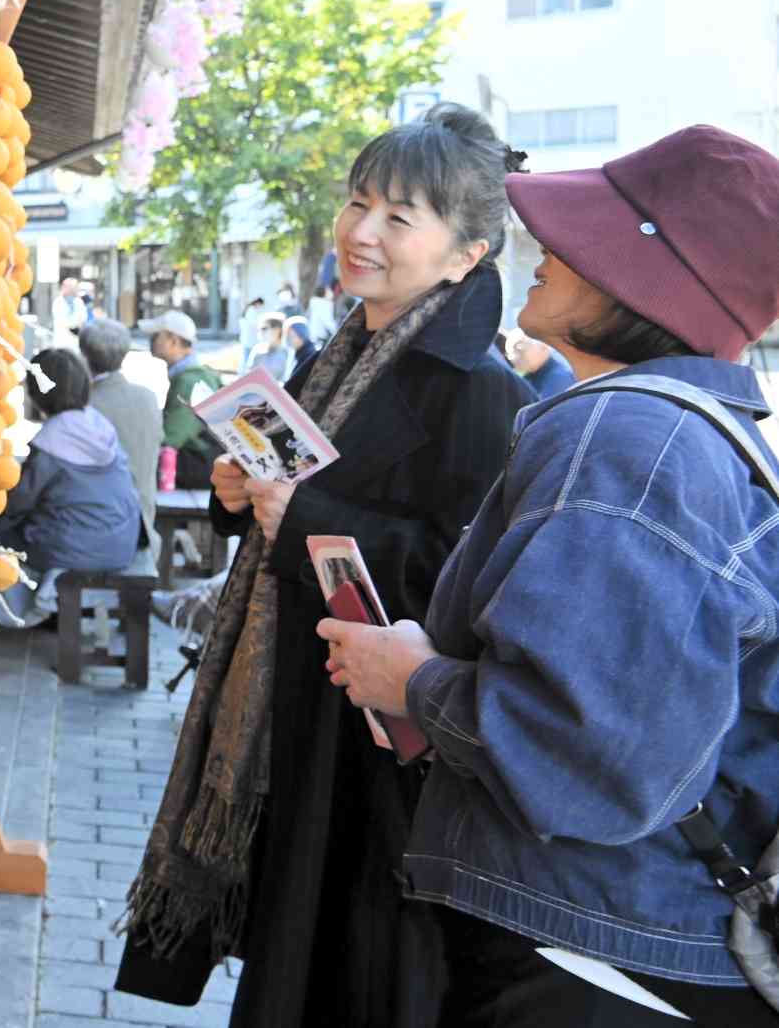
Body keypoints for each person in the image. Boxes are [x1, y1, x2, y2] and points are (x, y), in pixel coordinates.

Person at [321, 126, 779, 1025]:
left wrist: (413, 680)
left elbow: (591, 758)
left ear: (647, 282)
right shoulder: (694, 432)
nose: (545, 251)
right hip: (626, 932)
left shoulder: (627, 439)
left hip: (593, 949)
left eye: (580, 241)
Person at [119, 103, 538, 1028]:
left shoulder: (482, 392)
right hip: (292, 714)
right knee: (288, 957)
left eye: (400, 216)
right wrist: (245, 504)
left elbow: (462, 583)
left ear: (466, 254)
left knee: (342, 975)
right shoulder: (327, 357)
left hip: (372, 750)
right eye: (358, 203)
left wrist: (305, 515)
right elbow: (290, 506)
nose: (362, 233)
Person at [0, 346, 143, 626]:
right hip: (122, 541)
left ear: (38, 393)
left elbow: (17, 503)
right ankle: (49, 609)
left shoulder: (52, 439)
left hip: (78, 549)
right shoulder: (99, 425)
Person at [81, 319, 163, 573]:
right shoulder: (148, 398)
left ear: (84, 357)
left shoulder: (85, 405)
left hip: (99, 529)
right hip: (144, 523)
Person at [141, 309, 222, 490]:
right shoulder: (196, 375)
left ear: (174, 341)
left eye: (156, 336)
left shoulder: (189, 382)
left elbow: (171, 437)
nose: (151, 341)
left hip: (197, 464)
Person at [503, 327, 577, 398]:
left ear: (543, 346)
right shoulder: (525, 380)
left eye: (520, 349)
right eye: (510, 354)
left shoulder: (560, 378)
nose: (515, 357)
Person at [245, 314, 289, 380]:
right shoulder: (257, 349)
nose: (261, 332)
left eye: (264, 328)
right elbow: (248, 375)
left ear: (277, 329)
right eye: (260, 329)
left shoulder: (287, 352)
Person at [284, 315, 320, 380]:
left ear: (301, 334)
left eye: (291, 336)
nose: (288, 339)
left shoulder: (310, 355)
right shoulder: (296, 353)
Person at [237, 297, 267, 367]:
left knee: (246, 358)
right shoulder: (251, 311)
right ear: (257, 303)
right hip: (249, 339)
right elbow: (255, 324)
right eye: (261, 305)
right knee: (247, 359)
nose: (260, 307)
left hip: (248, 339)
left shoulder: (249, 310)